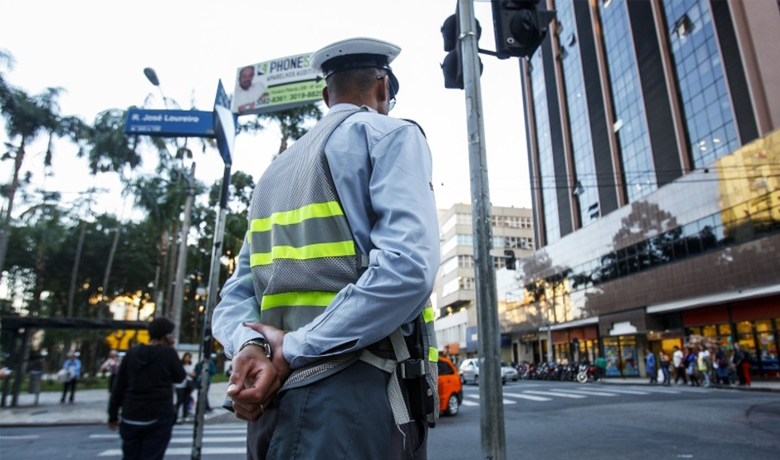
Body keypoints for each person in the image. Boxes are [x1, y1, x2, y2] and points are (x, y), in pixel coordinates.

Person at [212, 37, 439, 460]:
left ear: (324, 96)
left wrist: (252, 347)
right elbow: (407, 269)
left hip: (271, 408)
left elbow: (235, 296)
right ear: (383, 87)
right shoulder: (390, 135)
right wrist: (291, 348)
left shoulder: (273, 174)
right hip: (354, 401)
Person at [108, 317, 186, 460]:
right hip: (158, 415)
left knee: (129, 456)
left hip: (131, 414)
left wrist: (112, 415)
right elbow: (180, 377)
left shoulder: (132, 353)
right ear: (167, 335)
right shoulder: (168, 353)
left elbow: (119, 386)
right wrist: (171, 348)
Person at [174, 352, 196, 423]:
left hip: (188, 385)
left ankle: (185, 415)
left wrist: (188, 373)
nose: (187, 358)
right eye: (186, 357)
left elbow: (193, 374)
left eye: (189, 357)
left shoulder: (191, 366)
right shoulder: (180, 365)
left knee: (186, 400)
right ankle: (176, 415)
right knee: (179, 400)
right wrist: (188, 373)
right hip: (180, 385)